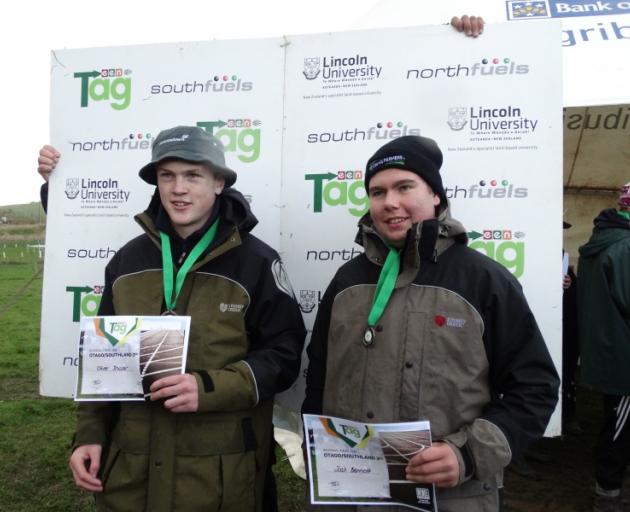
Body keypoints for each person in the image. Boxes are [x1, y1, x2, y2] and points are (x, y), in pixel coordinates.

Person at [43, 126, 305, 511]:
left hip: (220, 478)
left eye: (192, 175)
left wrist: (210, 388)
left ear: (218, 182)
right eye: (167, 176)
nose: (178, 188)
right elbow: (101, 362)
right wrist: (89, 435)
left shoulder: (257, 262)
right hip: (131, 473)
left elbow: (284, 356)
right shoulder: (126, 262)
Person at [302, 135, 560, 512]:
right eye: (377, 191)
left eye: (404, 187)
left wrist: (468, 455)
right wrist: (319, 457)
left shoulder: (483, 281)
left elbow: (534, 388)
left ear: (436, 195)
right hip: (349, 495)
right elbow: (320, 378)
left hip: (451, 498)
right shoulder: (346, 281)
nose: (390, 202)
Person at [578, 182, 630, 512]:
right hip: (624, 355)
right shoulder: (625, 246)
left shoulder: (601, 242)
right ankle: (608, 494)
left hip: (608, 349)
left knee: (615, 420)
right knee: (620, 427)